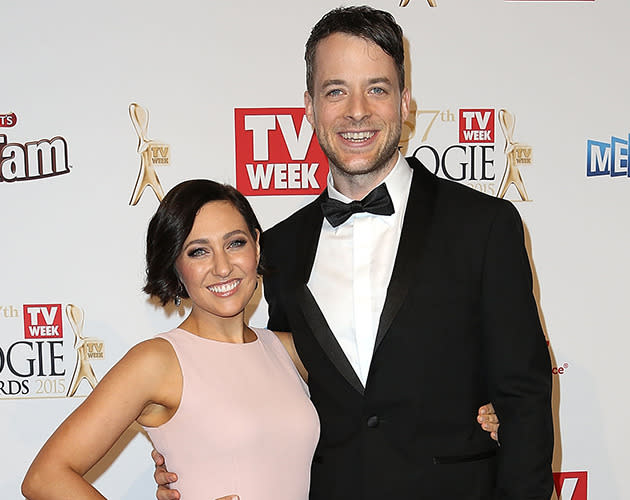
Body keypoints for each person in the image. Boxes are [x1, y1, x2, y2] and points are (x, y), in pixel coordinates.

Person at [154, 5, 551, 500]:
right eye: (336, 90)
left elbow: (525, 397)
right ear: (309, 105)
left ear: (405, 103)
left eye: (377, 89)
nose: (357, 111)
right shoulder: (279, 247)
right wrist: (194, 458)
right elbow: (273, 387)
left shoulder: (484, 226)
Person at [21, 180, 320, 500]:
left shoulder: (289, 350)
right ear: (176, 266)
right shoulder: (158, 361)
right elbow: (44, 477)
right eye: (198, 251)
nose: (222, 267)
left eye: (235, 243)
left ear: (257, 246)